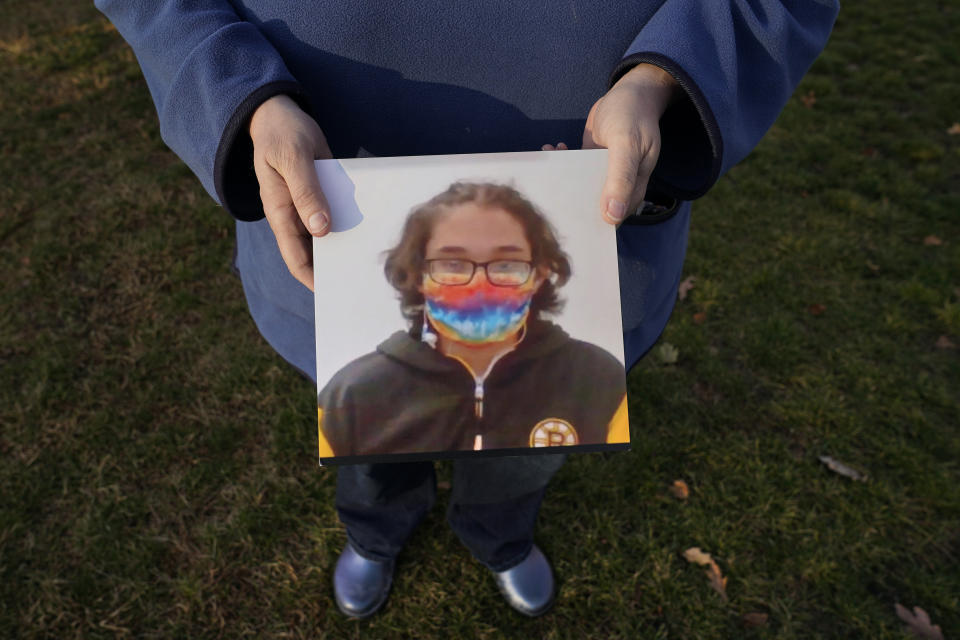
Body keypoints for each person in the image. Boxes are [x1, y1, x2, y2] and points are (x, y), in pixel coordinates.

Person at [95, 0, 840, 620]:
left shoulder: (570, 359)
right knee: (373, 444)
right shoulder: (372, 366)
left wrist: (667, 76)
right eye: (453, 266)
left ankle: (499, 536)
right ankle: (376, 533)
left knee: (527, 452)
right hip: (339, 260)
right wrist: (237, 91)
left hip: (604, 236)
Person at [317, 182, 629, 460]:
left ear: (539, 274)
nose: (479, 283)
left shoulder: (599, 379)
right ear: (418, 276)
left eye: (506, 262)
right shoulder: (351, 395)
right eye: (452, 262)